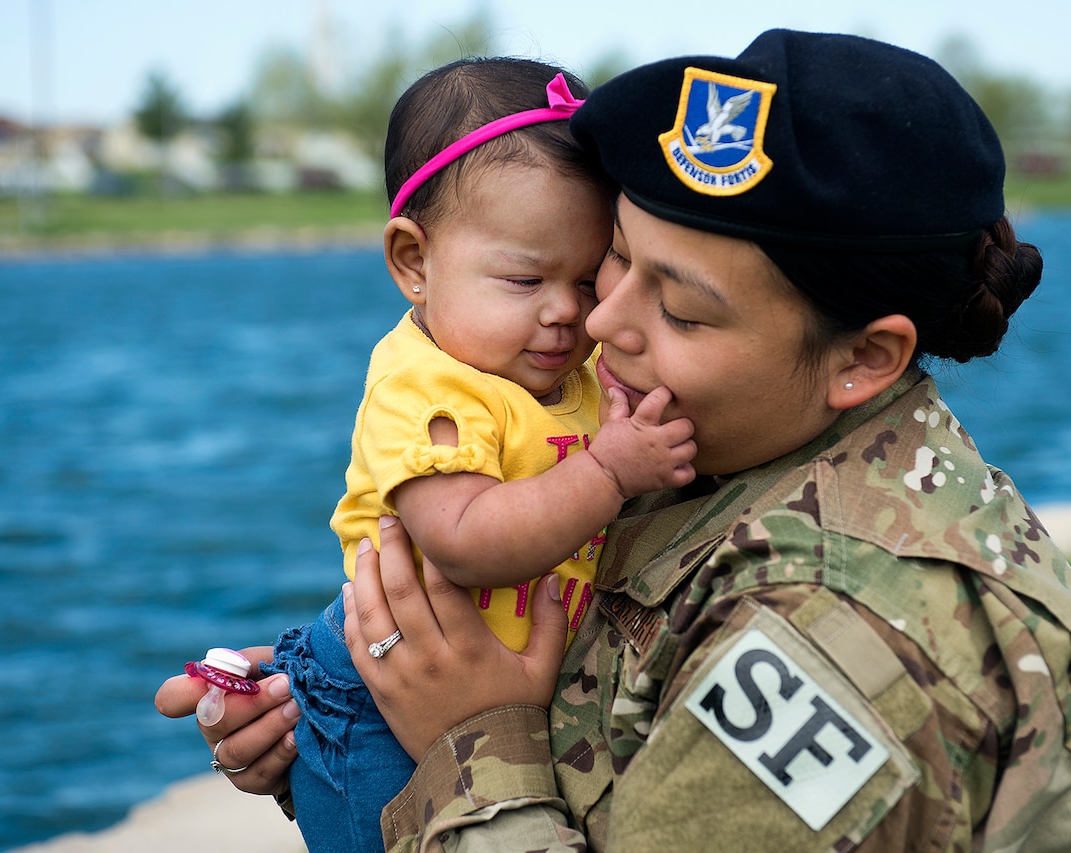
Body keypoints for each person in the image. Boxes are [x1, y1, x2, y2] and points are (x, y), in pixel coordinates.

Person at [159, 30, 1071, 851]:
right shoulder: (726, 442)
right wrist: (349, 704)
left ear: (863, 357)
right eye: (616, 255)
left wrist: (464, 740)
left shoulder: (844, 638)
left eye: (684, 310)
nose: (601, 321)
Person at [164, 57, 695, 853]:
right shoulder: (426, 384)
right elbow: (465, 539)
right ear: (415, 262)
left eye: (589, 279)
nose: (566, 312)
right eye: (524, 278)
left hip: (476, 680)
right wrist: (611, 469)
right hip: (382, 700)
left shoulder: (564, 365)